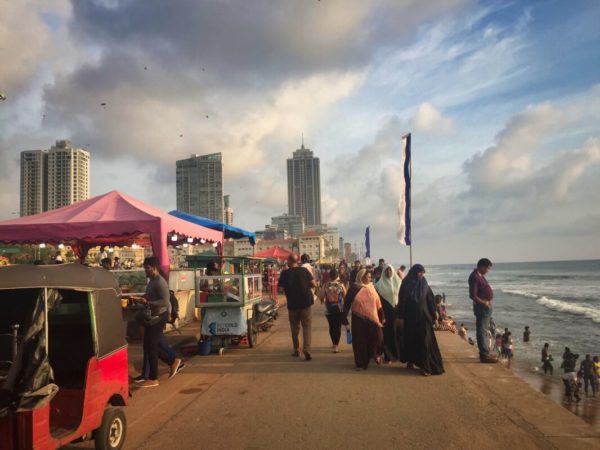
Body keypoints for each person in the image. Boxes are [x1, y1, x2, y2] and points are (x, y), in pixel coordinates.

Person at [135, 257, 182, 388]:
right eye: (145, 267)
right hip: (152, 317)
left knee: (152, 346)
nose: (145, 270)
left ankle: (154, 378)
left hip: (158, 317)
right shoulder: (151, 282)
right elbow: (151, 296)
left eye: (147, 268)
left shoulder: (160, 282)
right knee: (149, 346)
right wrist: (142, 298)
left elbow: (164, 302)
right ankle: (172, 361)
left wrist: (148, 302)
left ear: (154, 268)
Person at [396, 264, 444, 376]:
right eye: (419, 272)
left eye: (423, 272)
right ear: (414, 272)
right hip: (410, 317)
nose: (421, 274)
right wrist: (400, 317)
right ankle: (410, 360)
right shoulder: (406, 283)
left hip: (424, 317)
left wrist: (435, 314)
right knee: (411, 339)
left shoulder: (424, 283)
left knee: (424, 340)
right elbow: (401, 301)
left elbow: (430, 300)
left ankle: (425, 366)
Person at [343, 269, 384, 370]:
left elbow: (378, 303)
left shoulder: (371, 287)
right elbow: (347, 303)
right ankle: (361, 363)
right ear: (361, 277)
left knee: (378, 338)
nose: (370, 279)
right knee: (360, 341)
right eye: (368, 277)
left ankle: (374, 354)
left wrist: (382, 316)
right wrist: (344, 318)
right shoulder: (354, 288)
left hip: (373, 318)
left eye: (370, 277)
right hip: (358, 318)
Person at [278, 254, 316, 361]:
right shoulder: (304, 271)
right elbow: (313, 284)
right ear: (297, 261)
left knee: (295, 329)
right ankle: (307, 349)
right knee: (307, 327)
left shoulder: (285, 273)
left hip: (293, 305)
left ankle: (297, 350)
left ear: (290, 261)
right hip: (306, 303)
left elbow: (280, 289)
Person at [469, 258, 497, 363]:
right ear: (482, 266)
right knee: (482, 331)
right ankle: (484, 355)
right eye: (488, 268)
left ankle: (485, 353)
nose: (488, 270)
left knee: (484, 330)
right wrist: (484, 302)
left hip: (485, 307)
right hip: (482, 308)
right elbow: (473, 295)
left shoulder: (480, 276)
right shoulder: (475, 277)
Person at [375, 264, 401, 362]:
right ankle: (388, 356)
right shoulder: (378, 285)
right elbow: (377, 301)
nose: (388, 272)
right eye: (386, 271)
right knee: (387, 334)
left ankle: (397, 355)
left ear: (393, 271)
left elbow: (401, 298)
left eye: (390, 270)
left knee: (397, 334)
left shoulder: (399, 283)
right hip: (385, 313)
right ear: (384, 272)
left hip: (397, 312)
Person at [319, 268, 347, 353]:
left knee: (331, 327)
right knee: (337, 327)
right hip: (339, 309)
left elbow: (321, 296)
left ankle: (334, 343)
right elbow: (345, 296)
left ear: (330, 276)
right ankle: (336, 346)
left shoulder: (325, 285)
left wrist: (322, 301)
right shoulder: (341, 285)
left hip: (329, 309)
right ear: (337, 276)